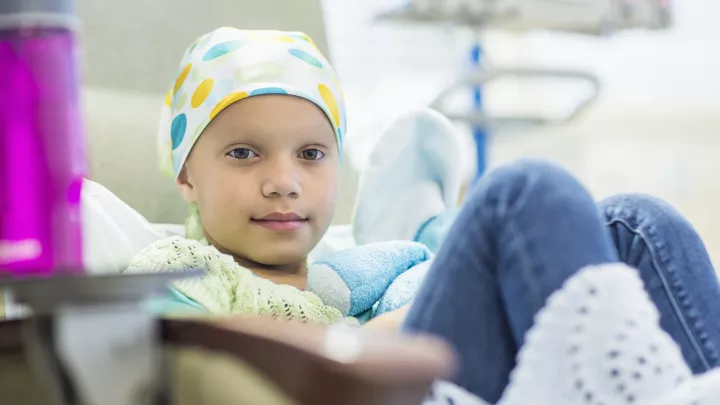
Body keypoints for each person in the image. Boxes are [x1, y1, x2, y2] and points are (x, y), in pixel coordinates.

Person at [124, 26, 720, 404]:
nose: (283, 181)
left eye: (311, 154)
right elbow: (191, 365)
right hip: (371, 388)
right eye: (243, 153)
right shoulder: (180, 264)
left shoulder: (350, 271)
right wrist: (378, 336)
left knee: (638, 225)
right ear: (186, 175)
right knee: (523, 192)